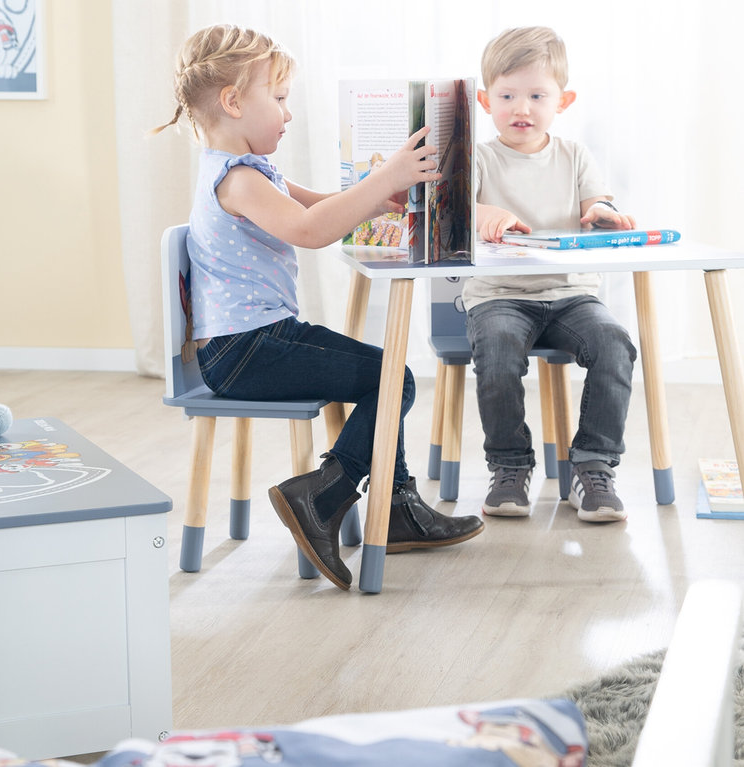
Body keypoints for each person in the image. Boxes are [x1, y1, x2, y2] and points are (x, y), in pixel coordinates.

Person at [154, 24, 484, 590]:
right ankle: (323, 495)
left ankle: (394, 507)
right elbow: (307, 230)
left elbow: (323, 207)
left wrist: (379, 196)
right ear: (233, 102)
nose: (287, 114)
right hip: (245, 352)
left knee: (386, 375)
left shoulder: (258, 172)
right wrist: (387, 174)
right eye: (278, 99)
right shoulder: (234, 179)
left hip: (256, 343)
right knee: (391, 377)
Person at [467, 26, 638, 523]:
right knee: (497, 350)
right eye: (507, 96)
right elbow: (460, 212)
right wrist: (486, 215)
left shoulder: (574, 156)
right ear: (485, 100)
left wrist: (604, 213)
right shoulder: (476, 158)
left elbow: (595, 202)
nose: (522, 108)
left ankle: (593, 466)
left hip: (570, 294)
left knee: (614, 343)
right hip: (499, 295)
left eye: (537, 95)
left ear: (562, 101)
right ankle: (509, 466)